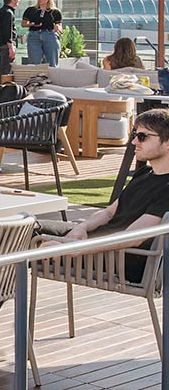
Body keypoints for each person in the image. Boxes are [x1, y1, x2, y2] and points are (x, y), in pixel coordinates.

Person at [42, 107, 169, 283]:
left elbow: (133, 237)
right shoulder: (144, 174)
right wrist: (82, 227)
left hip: (117, 258)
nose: (134, 142)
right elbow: (108, 213)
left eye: (142, 137)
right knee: (24, 228)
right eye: (134, 135)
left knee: (24, 247)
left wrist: (75, 248)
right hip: (96, 244)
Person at [23, 0, 64, 67]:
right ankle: (35, 79)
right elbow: (24, 24)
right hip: (34, 35)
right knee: (34, 62)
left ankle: (51, 78)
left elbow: (59, 26)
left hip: (49, 35)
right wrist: (32, 24)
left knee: (52, 62)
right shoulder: (31, 10)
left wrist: (57, 27)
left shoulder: (55, 12)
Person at [0, 0, 20, 73]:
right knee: (6, 70)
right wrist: (11, 47)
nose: (18, 0)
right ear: (12, 0)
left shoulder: (1, 11)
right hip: (6, 46)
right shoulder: (8, 13)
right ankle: (3, 85)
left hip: (0, 44)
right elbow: (7, 31)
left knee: (0, 68)